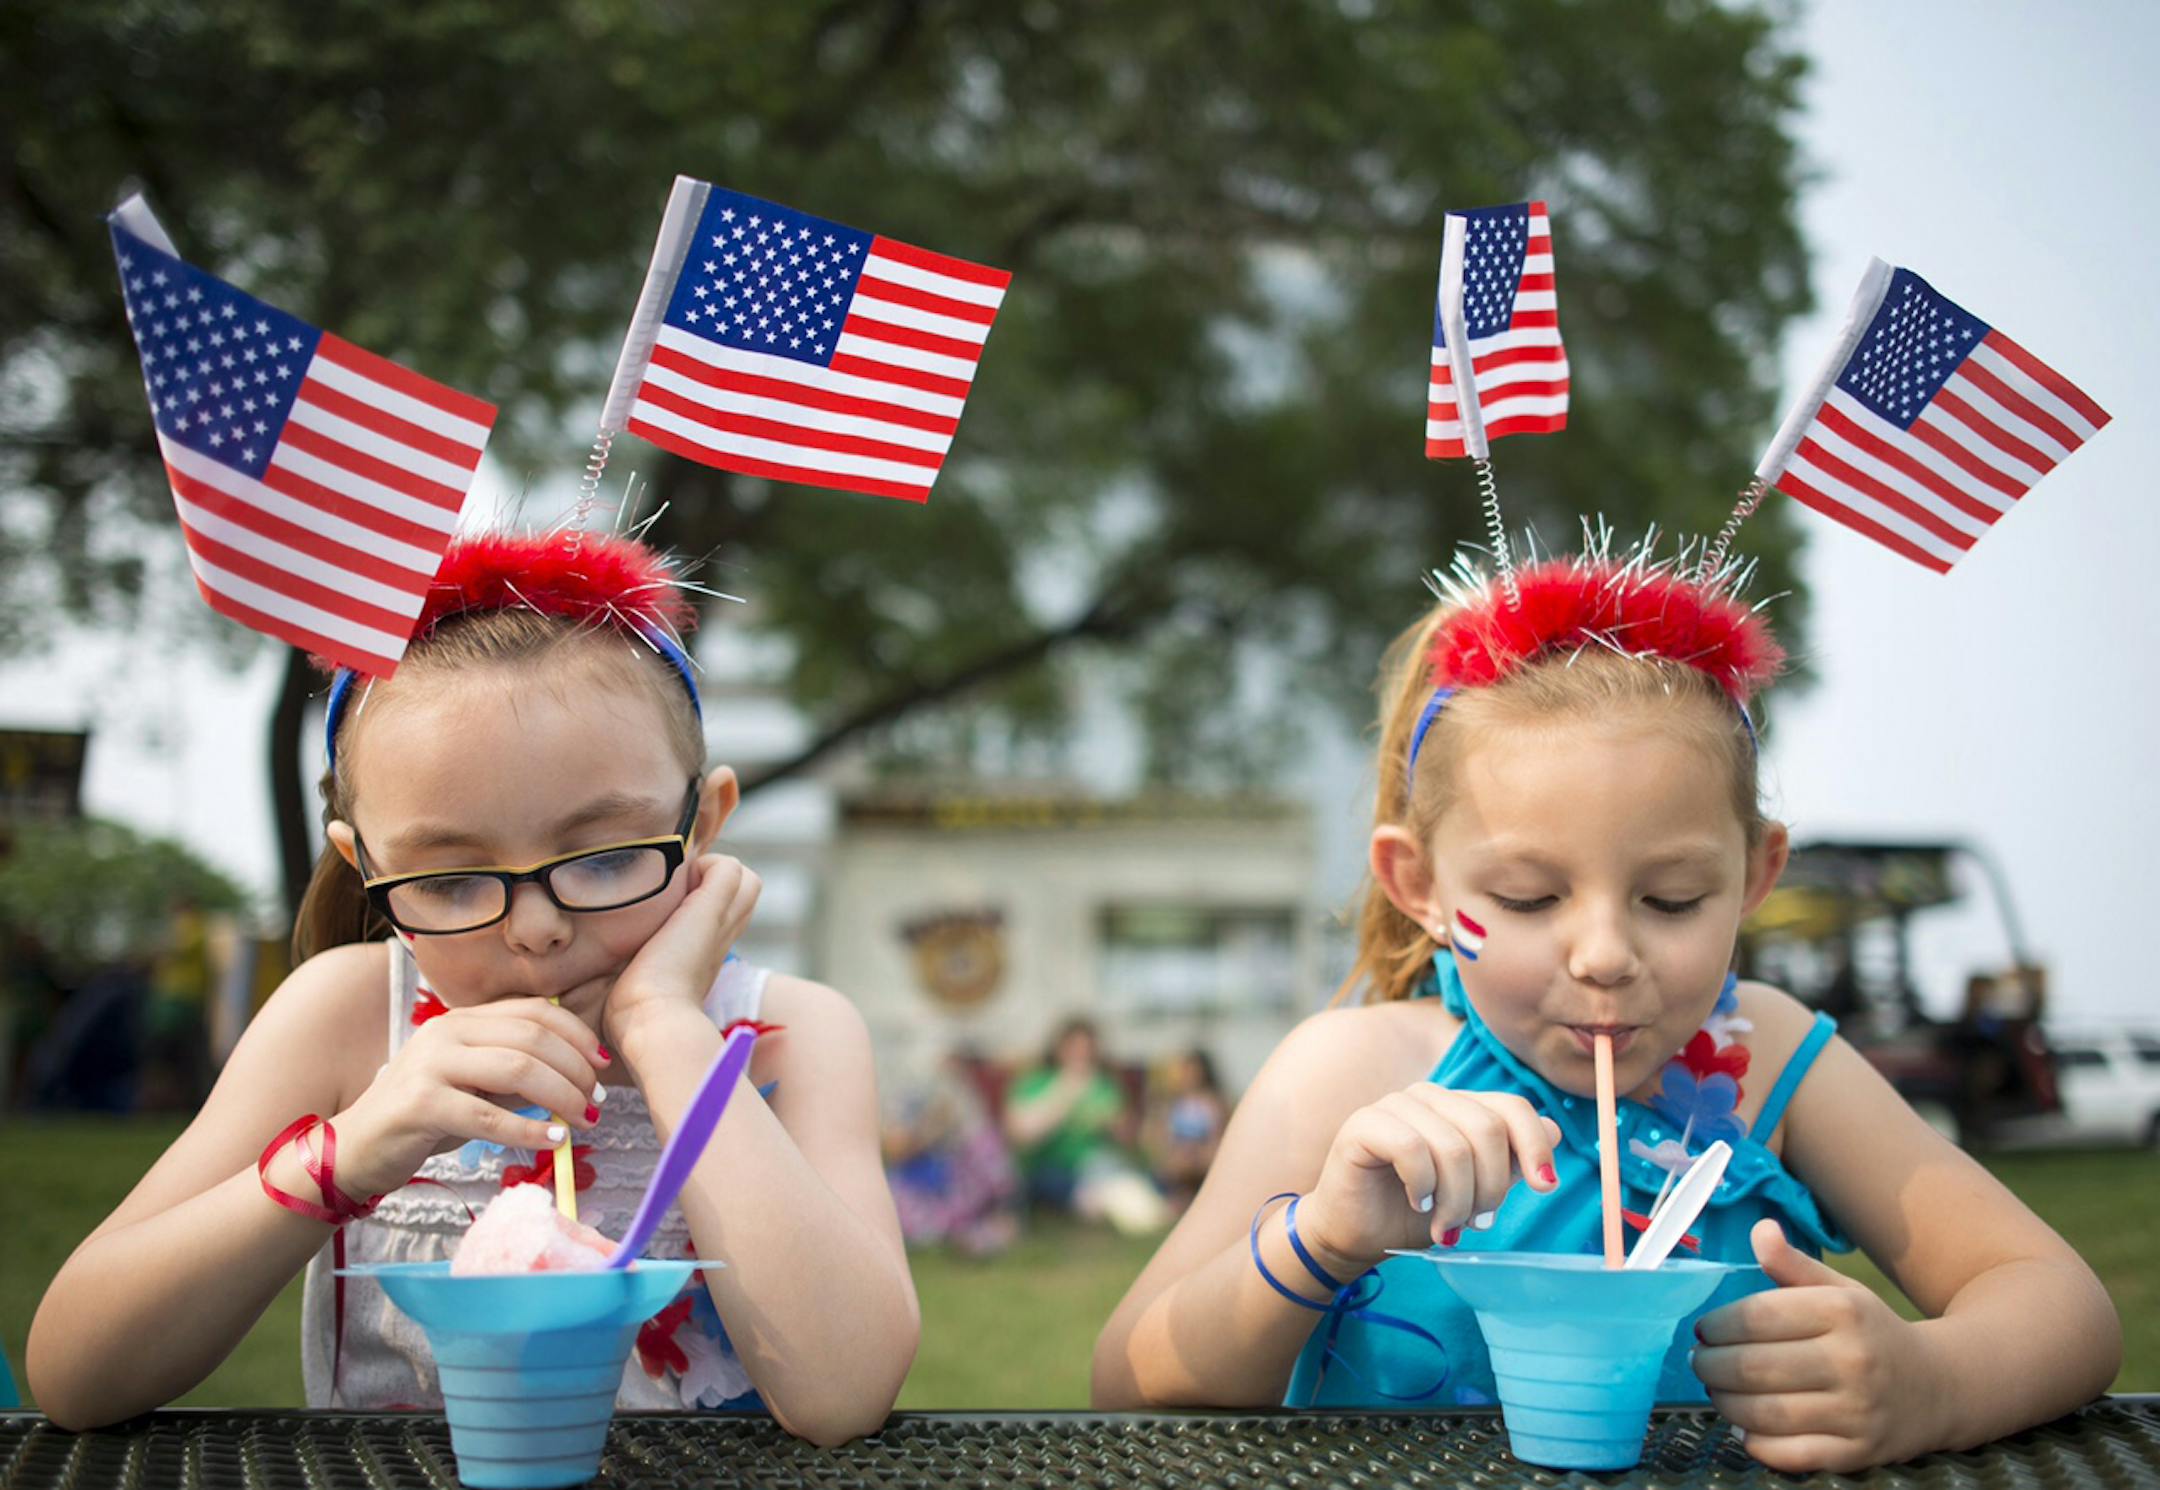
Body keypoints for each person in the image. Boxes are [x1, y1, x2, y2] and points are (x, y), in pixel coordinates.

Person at [1093, 549, 2120, 1472]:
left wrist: (1933, 1380)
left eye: (1672, 897)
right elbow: (1130, 1380)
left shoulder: (1773, 1062)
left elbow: (2063, 1303)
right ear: (1420, 884)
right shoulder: (1344, 1078)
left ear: (1757, 871)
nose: (1604, 954)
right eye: (1529, 898)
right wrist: (1320, 1235)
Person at [28, 533, 917, 1444]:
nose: (536, 927)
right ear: (365, 864)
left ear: (704, 824)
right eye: (451, 881)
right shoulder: (343, 1021)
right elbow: (76, 1372)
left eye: (606, 858)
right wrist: (349, 1152)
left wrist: (667, 1031)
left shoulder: (787, 1033)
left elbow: (842, 1396)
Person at [1005, 1018, 1168, 1232]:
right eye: (1075, 1048)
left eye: (1087, 1049)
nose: (1082, 1055)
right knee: (1062, 1183)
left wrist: (1116, 1124)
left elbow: (1128, 1136)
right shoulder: (1035, 1083)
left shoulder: (1103, 1086)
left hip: (1101, 1164)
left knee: (1130, 1175)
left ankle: (1130, 1206)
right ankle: (1120, 1206)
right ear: (1059, 1048)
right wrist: (1065, 1094)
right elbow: (1020, 1134)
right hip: (1052, 1169)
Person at [883, 1046, 1019, 1256]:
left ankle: (980, 1234)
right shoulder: (911, 1094)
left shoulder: (974, 1122)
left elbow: (997, 1177)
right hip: (922, 1182)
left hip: (962, 1182)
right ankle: (969, 1235)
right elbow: (896, 1148)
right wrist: (929, 1131)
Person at [1145, 1048, 1229, 1210]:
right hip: (1179, 1154)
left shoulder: (1214, 1104)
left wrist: (1197, 1153)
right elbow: (1160, 1136)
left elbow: (1219, 1138)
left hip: (1202, 1156)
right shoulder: (1173, 1104)